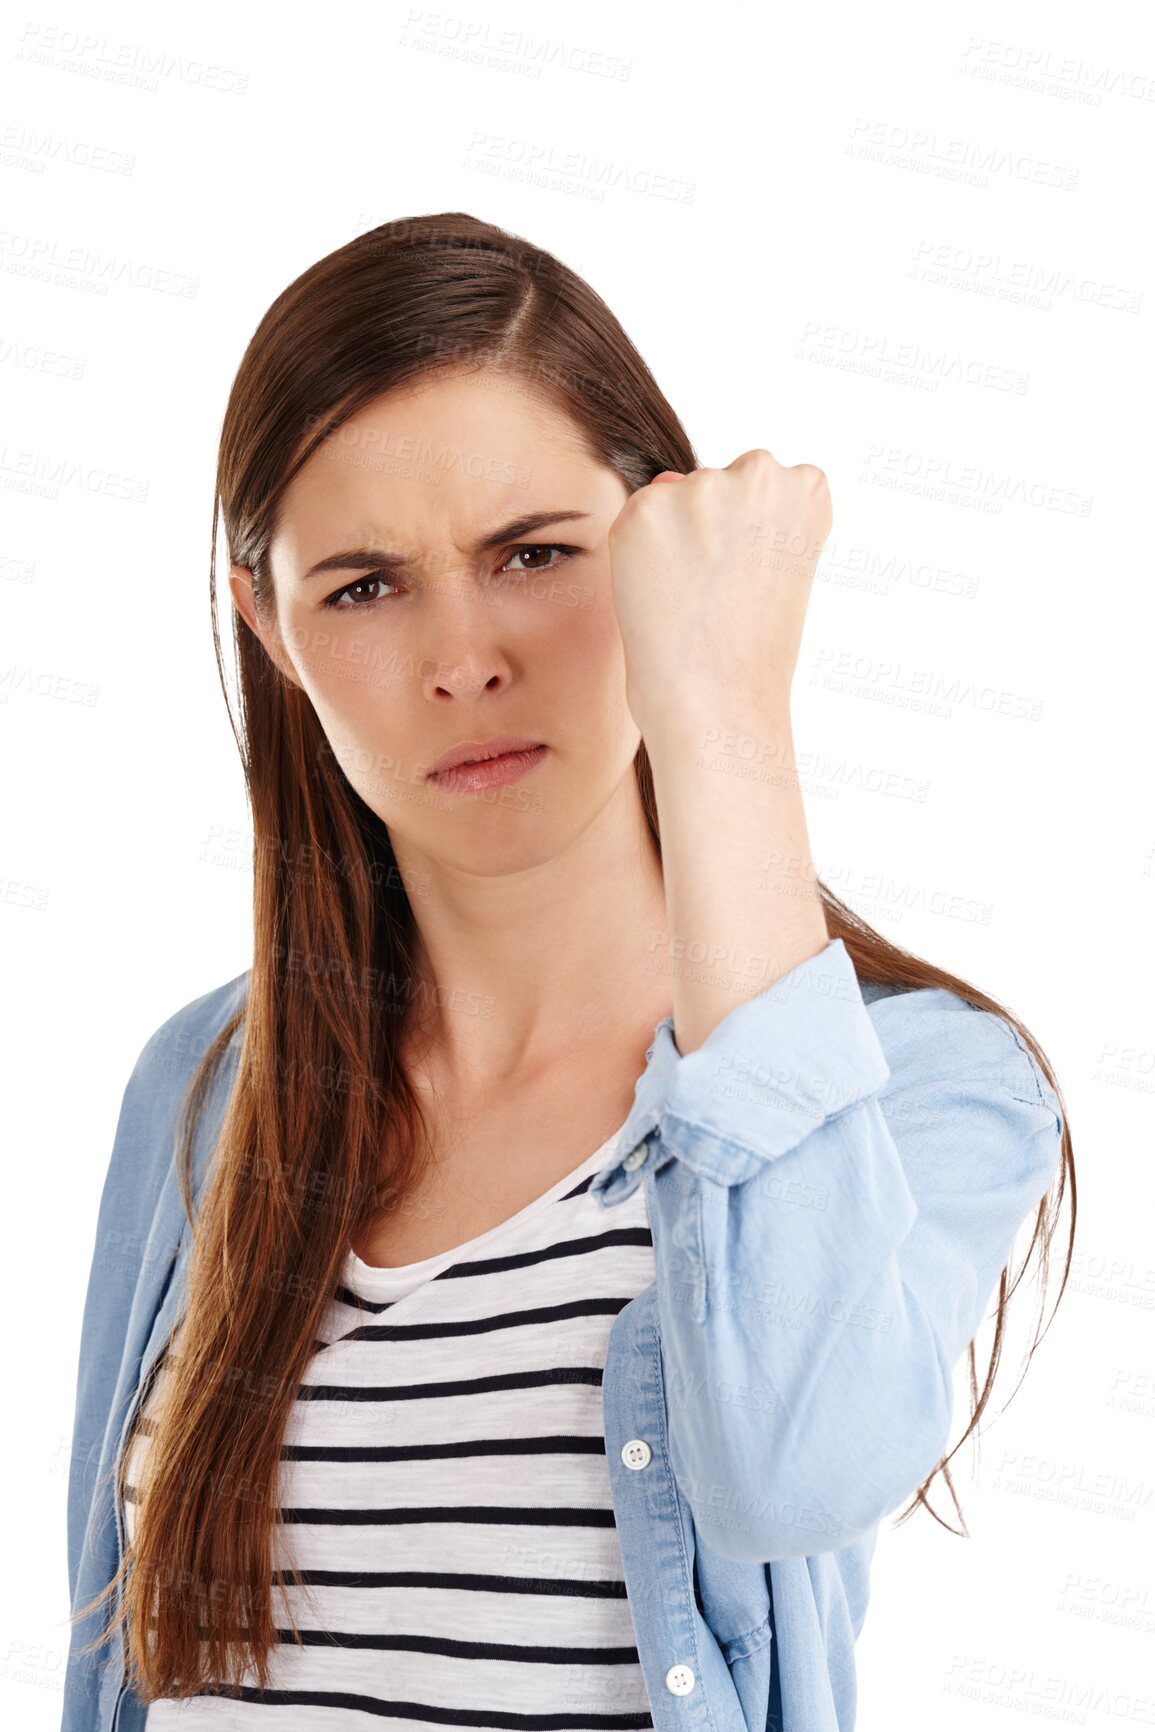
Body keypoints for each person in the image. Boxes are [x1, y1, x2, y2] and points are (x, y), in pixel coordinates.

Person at [62, 212, 1074, 1732]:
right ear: (266, 626)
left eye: (533, 556)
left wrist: (724, 710)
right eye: (364, 587)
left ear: (663, 556)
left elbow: (795, 1468)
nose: (463, 657)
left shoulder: (923, 1084)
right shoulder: (202, 1090)